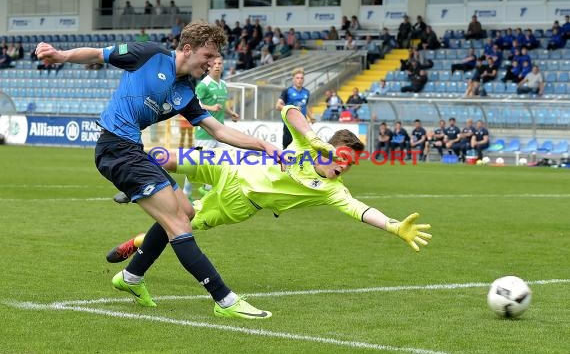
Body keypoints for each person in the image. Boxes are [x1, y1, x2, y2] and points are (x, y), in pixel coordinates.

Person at [35, 21, 281, 319]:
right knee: (179, 223)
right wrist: (60, 55)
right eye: (207, 56)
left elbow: (218, 130)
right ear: (188, 49)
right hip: (116, 149)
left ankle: (131, 277)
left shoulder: (185, 91)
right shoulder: (149, 54)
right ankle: (225, 300)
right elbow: (98, 54)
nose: (211, 63)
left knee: (186, 210)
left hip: (132, 151)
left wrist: (263, 146)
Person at [107, 106, 432, 270]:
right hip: (231, 165)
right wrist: (315, 138)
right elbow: (288, 111)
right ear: (331, 150)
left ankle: (135, 243)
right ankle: (134, 180)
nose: (345, 167)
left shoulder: (333, 190)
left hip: (241, 203)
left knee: (183, 225)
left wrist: (392, 226)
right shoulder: (308, 145)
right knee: (164, 157)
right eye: (343, 159)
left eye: (351, 164)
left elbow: (360, 209)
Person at [183, 55, 239, 198]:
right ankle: (186, 192)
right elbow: (194, 104)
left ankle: (208, 189)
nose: (217, 66)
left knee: (222, 162)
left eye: (220, 63)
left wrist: (231, 113)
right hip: (205, 132)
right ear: (209, 66)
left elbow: (223, 104)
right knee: (196, 164)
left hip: (220, 132)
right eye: (214, 63)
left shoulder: (223, 84)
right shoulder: (204, 84)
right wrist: (211, 107)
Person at [276, 67, 314, 149]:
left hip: (302, 123)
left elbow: (305, 106)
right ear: (293, 79)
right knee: (288, 148)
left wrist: (311, 117)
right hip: (289, 123)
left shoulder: (306, 92)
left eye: (301, 78)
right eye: (297, 78)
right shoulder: (287, 91)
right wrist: (292, 108)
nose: (299, 80)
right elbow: (278, 106)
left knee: (303, 147)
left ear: (304, 80)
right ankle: (286, 161)